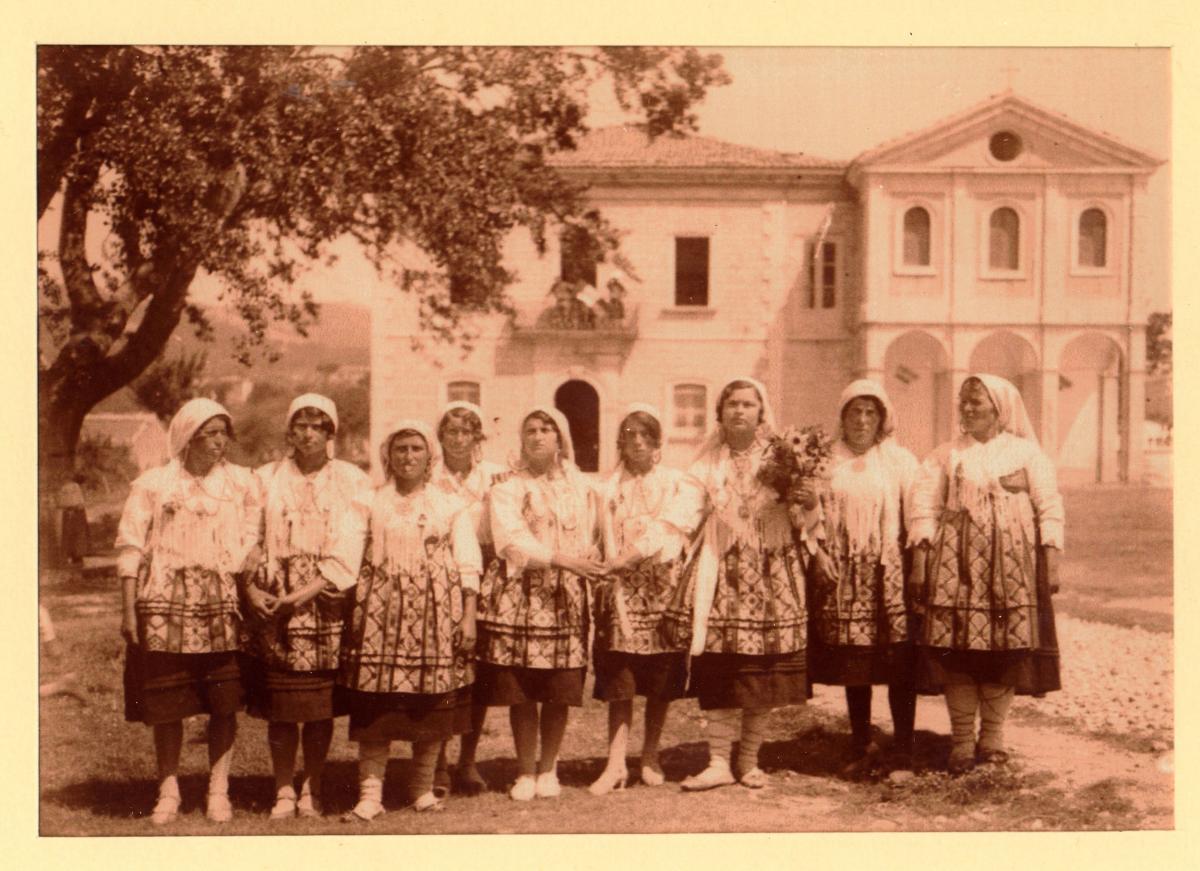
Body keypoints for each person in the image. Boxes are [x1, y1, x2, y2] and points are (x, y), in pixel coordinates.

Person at [909, 374, 1064, 774]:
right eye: (963, 401)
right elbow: (924, 508)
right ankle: (962, 742)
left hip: (1009, 573)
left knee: (1003, 650)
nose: (967, 408)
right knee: (957, 652)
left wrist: (1051, 560)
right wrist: (921, 565)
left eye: (976, 401)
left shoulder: (1025, 453)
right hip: (954, 570)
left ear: (1000, 408)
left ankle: (992, 739)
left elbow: (1049, 505)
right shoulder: (945, 455)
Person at [116, 397, 260, 825]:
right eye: (209, 434)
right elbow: (130, 547)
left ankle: (219, 789)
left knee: (223, 701)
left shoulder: (241, 483)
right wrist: (128, 611)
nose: (219, 442)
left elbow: (252, 534)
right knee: (168, 703)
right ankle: (168, 791)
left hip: (221, 603)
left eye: (222, 433)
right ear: (187, 438)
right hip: (164, 603)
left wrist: (245, 565)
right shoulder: (155, 484)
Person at [338, 419, 481, 818]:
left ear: (429, 456)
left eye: (416, 449)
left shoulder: (449, 504)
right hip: (379, 614)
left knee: (430, 703)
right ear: (388, 456)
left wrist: (468, 616)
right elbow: (346, 554)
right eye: (400, 449)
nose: (408, 457)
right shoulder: (369, 502)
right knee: (376, 703)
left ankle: (422, 789)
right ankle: (370, 795)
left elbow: (468, 561)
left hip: (436, 613)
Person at [243, 394, 371, 820]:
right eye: (301, 425)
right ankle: (283, 789)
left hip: (324, 598)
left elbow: (351, 541)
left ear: (330, 432)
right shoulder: (266, 478)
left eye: (318, 426)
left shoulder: (351, 479)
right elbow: (247, 536)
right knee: (282, 706)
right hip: (274, 598)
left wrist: (308, 591)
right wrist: (251, 588)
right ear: (290, 430)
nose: (309, 434)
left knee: (317, 706)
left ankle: (311, 788)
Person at [680, 378, 809, 791]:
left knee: (761, 673)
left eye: (748, 404)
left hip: (771, 569)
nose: (739, 411)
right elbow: (686, 510)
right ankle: (718, 761)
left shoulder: (782, 457)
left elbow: (804, 518)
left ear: (761, 411)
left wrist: (806, 500)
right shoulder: (707, 463)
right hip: (723, 569)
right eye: (732, 404)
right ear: (720, 412)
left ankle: (749, 760)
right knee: (722, 668)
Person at [475, 406, 603, 801]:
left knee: (557, 687)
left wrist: (588, 556)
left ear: (560, 438)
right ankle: (525, 771)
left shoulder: (580, 487)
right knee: (524, 689)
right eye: (530, 429)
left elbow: (593, 533)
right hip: (522, 595)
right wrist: (565, 560)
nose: (538, 436)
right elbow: (511, 540)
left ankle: (549, 768)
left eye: (546, 429)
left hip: (566, 596)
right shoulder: (508, 487)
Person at [803, 380, 919, 775]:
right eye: (856, 411)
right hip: (843, 571)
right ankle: (860, 742)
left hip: (889, 568)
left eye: (871, 413)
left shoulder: (899, 461)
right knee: (857, 662)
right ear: (843, 415)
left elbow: (916, 512)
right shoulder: (825, 461)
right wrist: (818, 552)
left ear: (882, 419)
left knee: (898, 658)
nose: (863, 420)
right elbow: (808, 515)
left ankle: (904, 746)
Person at [588, 404, 701, 794]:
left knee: (659, 679)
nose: (637, 442)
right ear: (620, 442)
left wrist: (626, 557)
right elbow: (594, 533)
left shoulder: (677, 483)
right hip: (619, 592)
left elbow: (670, 529)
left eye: (645, 435)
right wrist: (601, 559)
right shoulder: (605, 486)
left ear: (657, 441)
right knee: (621, 680)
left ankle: (650, 755)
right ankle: (616, 762)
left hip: (662, 589)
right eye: (630, 435)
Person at [429, 401, 508, 797]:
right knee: (443, 669)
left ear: (478, 437)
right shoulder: (429, 475)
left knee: (480, 672)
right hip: (442, 576)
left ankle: (468, 760)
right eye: (451, 431)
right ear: (441, 436)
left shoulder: (495, 476)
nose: (459, 439)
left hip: (489, 576)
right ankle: (438, 761)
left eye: (466, 432)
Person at [58, 473, 90, 568]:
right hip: (74, 513)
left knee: (73, 534)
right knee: (75, 534)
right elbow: (77, 503)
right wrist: (73, 508)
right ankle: (75, 555)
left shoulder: (67, 487)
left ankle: (74, 555)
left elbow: (62, 503)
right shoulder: (74, 487)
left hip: (72, 512)